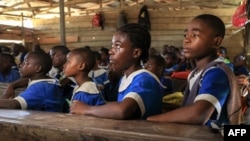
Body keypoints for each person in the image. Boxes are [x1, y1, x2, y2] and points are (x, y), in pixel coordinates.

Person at [147, 14, 242, 126]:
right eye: (185, 34)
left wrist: (152, 119)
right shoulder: (195, 72)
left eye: (194, 35)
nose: (186, 40)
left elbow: (199, 114)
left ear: (216, 42)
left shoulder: (216, 72)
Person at [70, 23, 163, 120]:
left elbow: (123, 110)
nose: (110, 51)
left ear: (136, 53)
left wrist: (86, 109)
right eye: (112, 45)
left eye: (118, 46)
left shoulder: (145, 79)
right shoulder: (125, 78)